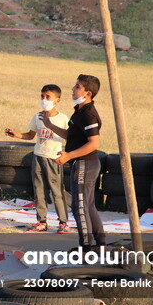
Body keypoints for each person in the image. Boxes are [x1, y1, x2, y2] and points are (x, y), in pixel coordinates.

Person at [48, 74, 104, 250]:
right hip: (83, 164)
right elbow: (72, 136)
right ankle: (100, 244)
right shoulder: (79, 111)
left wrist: (69, 155)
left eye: (77, 86)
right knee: (87, 205)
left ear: (88, 93)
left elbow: (94, 143)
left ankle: (86, 248)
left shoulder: (89, 114)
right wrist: (50, 125)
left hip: (85, 164)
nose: (73, 89)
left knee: (79, 208)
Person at [5, 84, 69, 233]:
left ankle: (63, 222)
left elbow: (68, 137)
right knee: (38, 189)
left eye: (48, 97)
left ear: (57, 101)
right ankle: (41, 221)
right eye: (42, 96)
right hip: (38, 157)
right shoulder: (37, 116)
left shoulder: (63, 119)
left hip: (54, 159)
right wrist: (17, 134)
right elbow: (30, 135)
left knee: (56, 191)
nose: (44, 100)